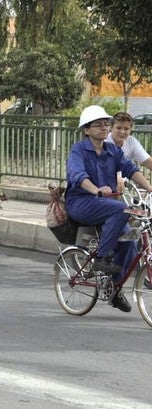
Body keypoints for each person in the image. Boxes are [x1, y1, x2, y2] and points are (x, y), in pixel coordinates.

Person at [66, 104, 152, 312]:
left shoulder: (113, 150)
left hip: (106, 205)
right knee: (120, 208)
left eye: (106, 123)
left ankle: (114, 289)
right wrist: (96, 190)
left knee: (130, 242)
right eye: (99, 125)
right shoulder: (79, 149)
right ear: (87, 129)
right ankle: (101, 258)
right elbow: (77, 175)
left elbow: (131, 169)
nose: (105, 127)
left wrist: (150, 187)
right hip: (81, 202)